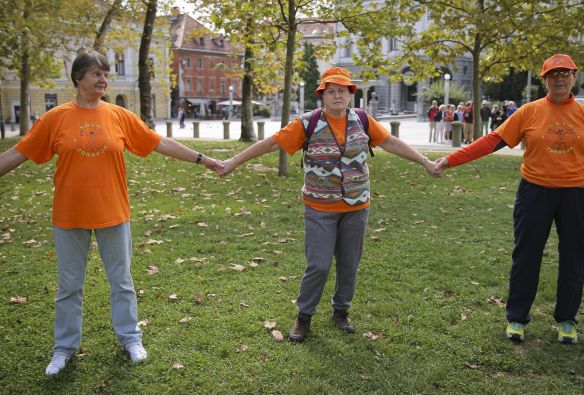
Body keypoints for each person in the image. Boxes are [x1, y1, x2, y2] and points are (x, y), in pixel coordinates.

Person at [0, 50, 223, 376]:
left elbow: (159, 143)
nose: (104, 79)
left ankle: (130, 338)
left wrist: (203, 159)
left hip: (113, 213)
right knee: (69, 287)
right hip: (69, 215)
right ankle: (64, 348)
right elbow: (18, 153)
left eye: (106, 74)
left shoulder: (119, 115)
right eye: (96, 74)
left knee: (122, 282)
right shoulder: (55, 118)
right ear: (78, 78)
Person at [216, 67, 440, 343]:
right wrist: (234, 161)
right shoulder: (307, 123)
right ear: (322, 95)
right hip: (320, 208)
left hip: (357, 206)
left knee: (349, 264)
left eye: (342, 91)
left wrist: (425, 161)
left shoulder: (362, 120)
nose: (337, 95)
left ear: (350, 95)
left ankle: (341, 312)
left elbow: (391, 142)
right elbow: (271, 143)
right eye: (331, 91)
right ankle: (304, 316)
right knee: (319, 265)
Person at [435, 54, 584, 344]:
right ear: (545, 79)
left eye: (564, 73)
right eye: (552, 74)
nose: (559, 78)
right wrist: (450, 160)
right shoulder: (528, 112)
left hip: (577, 195)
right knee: (526, 254)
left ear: (574, 77)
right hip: (535, 192)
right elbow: (492, 140)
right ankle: (517, 318)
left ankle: (567, 319)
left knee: (574, 256)